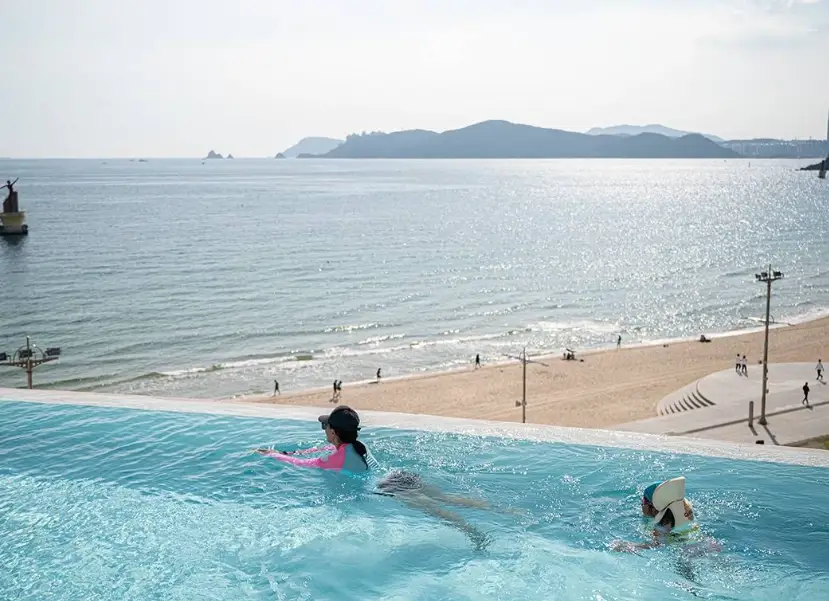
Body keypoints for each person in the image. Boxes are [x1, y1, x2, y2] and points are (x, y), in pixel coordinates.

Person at [373, 469, 496, 551]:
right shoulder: (361, 448)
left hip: (395, 487)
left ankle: (474, 534)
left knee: (436, 511)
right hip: (400, 476)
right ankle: (504, 510)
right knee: (446, 499)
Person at [611, 477, 719, 553]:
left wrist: (632, 546)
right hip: (708, 544)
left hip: (686, 551)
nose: (641, 505)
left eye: (644, 501)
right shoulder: (684, 512)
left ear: (653, 507)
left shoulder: (660, 524)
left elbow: (658, 545)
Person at [254, 405, 373, 473]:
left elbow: (301, 463)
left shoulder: (336, 458)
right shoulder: (358, 446)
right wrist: (286, 453)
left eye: (325, 425)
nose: (324, 429)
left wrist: (272, 454)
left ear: (333, 432)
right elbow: (318, 450)